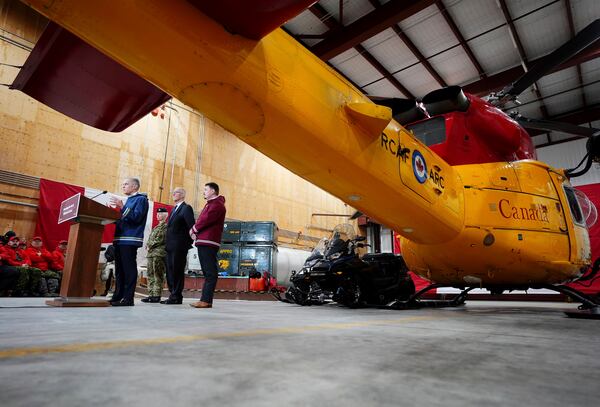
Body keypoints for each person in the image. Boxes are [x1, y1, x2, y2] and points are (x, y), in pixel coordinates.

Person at [110, 177, 149, 306]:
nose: (123, 186)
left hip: (130, 239)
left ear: (135, 187)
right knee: (119, 270)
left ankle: (128, 298)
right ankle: (117, 296)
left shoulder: (141, 200)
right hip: (120, 239)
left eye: (126, 184)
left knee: (128, 269)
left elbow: (136, 218)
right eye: (123, 184)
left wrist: (122, 208)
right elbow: (125, 218)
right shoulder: (129, 200)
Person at [189, 182, 226, 309]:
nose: (203, 192)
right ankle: (206, 300)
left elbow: (206, 219)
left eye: (206, 189)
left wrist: (194, 229)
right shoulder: (211, 204)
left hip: (209, 241)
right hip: (205, 240)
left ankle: (205, 300)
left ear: (213, 191)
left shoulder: (217, 205)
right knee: (208, 272)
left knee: (210, 272)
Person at [162, 187, 195, 304]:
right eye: (173, 192)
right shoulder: (174, 209)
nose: (173, 194)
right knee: (170, 271)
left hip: (179, 246)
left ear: (182, 195)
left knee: (177, 270)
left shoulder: (186, 208)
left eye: (176, 193)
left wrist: (187, 243)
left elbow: (191, 226)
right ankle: (172, 294)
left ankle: (176, 296)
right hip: (170, 246)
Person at [143, 208, 168, 303]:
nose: (158, 215)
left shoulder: (165, 226)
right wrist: (147, 245)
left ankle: (157, 295)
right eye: (157, 213)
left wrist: (149, 245)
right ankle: (151, 294)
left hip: (159, 253)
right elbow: (150, 239)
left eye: (160, 213)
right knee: (150, 274)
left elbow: (160, 239)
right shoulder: (156, 227)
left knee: (158, 274)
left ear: (165, 215)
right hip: (151, 254)